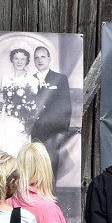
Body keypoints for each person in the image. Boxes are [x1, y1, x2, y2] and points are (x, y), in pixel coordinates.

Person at [29, 46, 73, 176]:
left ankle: (50, 196)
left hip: (54, 132)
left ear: (49, 59)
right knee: (34, 168)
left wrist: (62, 132)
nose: (40, 60)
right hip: (34, 132)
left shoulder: (60, 78)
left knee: (51, 168)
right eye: (36, 57)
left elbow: (66, 106)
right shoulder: (29, 80)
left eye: (43, 57)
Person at [0, 48, 40, 156]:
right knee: (5, 144)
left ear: (27, 61)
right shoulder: (6, 77)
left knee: (19, 146)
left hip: (21, 120)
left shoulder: (32, 80)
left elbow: (32, 103)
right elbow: (1, 98)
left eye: (23, 59)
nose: (19, 62)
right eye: (16, 58)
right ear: (12, 60)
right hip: (6, 118)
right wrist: (1, 106)